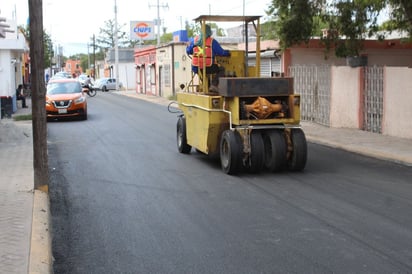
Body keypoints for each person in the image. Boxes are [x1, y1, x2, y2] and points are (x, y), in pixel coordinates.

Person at [186, 24, 230, 92]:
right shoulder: (212, 41)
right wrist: (228, 53)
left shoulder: (194, 40)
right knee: (222, 70)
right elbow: (221, 52)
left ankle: (208, 86)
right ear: (209, 32)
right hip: (207, 66)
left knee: (204, 76)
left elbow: (188, 51)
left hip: (195, 67)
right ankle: (214, 85)